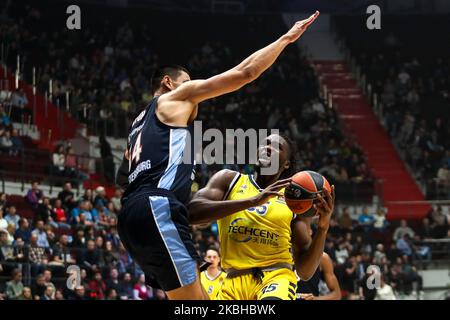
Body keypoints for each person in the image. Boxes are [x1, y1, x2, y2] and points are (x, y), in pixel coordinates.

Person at [117, 11, 320, 300]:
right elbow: (245, 73)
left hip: (129, 219)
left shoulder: (137, 126)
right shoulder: (174, 98)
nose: (192, 88)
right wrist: (286, 38)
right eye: (187, 82)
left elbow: (122, 178)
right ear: (168, 83)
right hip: (157, 207)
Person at [189, 133, 335, 300]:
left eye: (277, 147)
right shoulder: (229, 180)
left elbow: (305, 272)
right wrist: (253, 201)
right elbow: (192, 213)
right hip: (232, 280)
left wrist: (323, 228)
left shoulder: (294, 201)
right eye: (265, 143)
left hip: (275, 278)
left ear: (286, 164)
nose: (268, 147)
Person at [296, 221, 341, 300]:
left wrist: (315, 299)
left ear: (310, 231)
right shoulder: (280, 255)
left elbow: (336, 294)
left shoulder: (322, 258)